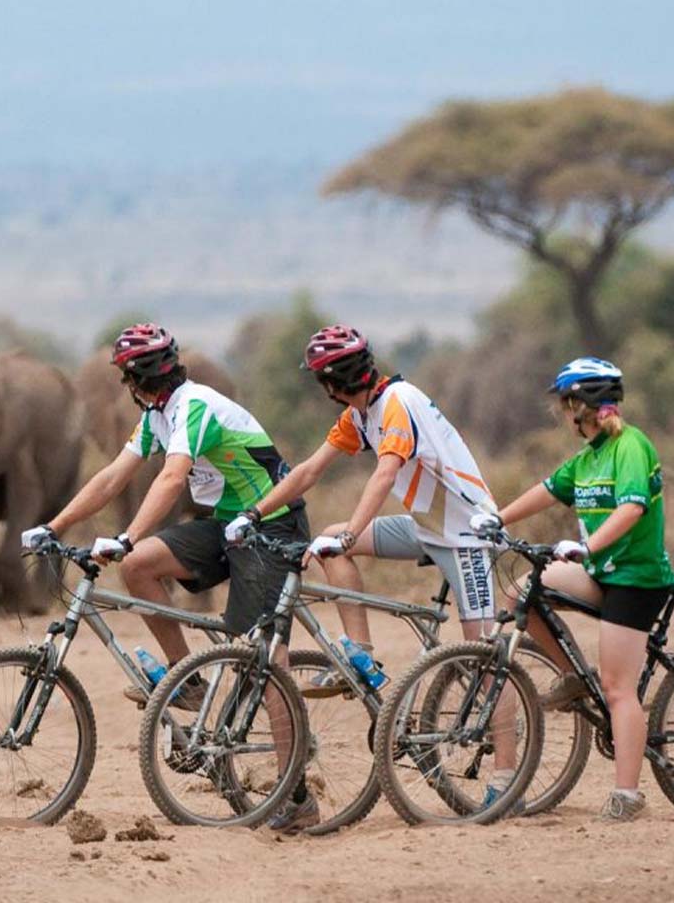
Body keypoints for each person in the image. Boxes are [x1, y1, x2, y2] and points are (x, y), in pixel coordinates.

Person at [21, 323, 316, 827]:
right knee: (138, 568)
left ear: (134, 379)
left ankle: (298, 798)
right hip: (226, 526)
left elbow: (172, 477)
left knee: (265, 658)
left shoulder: (194, 407)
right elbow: (114, 475)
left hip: (271, 526)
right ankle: (191, 682)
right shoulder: (158, 415)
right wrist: (55, 525)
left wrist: (127, 534)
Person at [225, 324, 518, 805]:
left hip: (466, 534)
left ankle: (507, 780)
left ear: (331, 382)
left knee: (486, 657)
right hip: (428, 527)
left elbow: (385, 472)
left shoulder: (397, 402)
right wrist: (254, 513)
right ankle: (360, 653)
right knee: (328, 543)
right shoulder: (362, 413)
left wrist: (351, 531)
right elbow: (309, 470)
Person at [470, 357, 672, 822]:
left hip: (637, 579)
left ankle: (628, 795)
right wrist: (498, 518)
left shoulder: (630, 446)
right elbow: (547, 489)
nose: (563, 415)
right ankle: (573, 678)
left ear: (581, 405)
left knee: (619, 688)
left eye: (566, 406)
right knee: (523, 590)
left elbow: (632, 509)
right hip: (604, 571)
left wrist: (585, 546)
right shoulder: (589, 457)